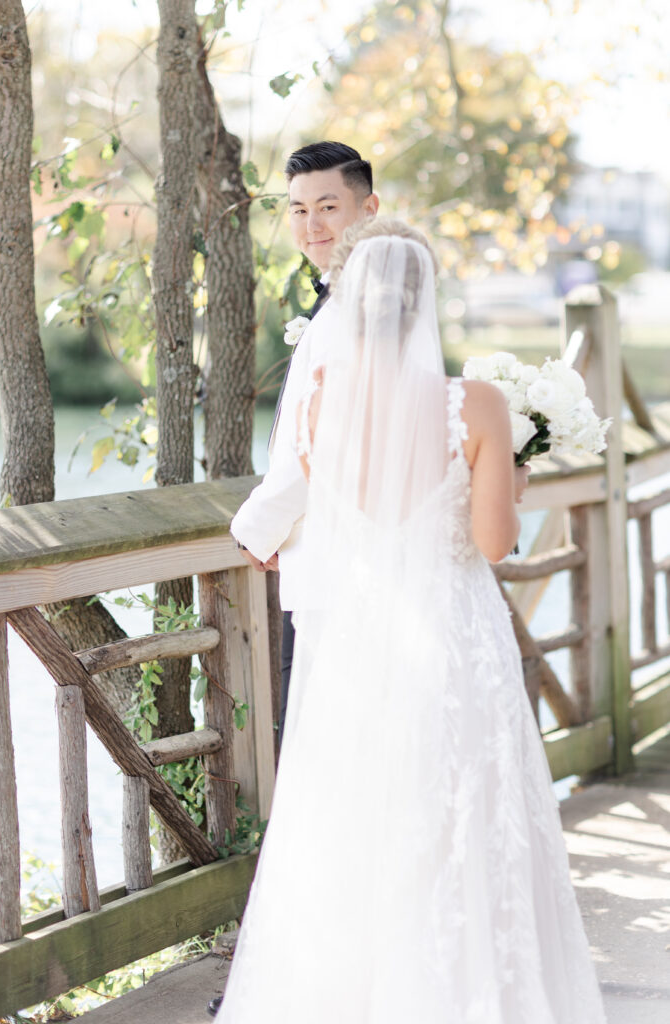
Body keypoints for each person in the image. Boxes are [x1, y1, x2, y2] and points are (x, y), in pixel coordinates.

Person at [211, 219, 607, 1023]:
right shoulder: (477, 406)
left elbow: (333, 510)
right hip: (454, 635)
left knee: (355, 811)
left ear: (353, 304)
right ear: (424, 301)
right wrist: (512, 480)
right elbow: (493, 543)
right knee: (459, 808)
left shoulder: (323, 401)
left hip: (358, 638)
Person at [230, 141, 379, 743]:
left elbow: (311, 445)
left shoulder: (350, 310)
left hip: (333, 556)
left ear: (368, 209)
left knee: (315, 735)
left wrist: (257, 526)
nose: (311, 224)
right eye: (297, 210)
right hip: (361, 549)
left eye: (327, 206)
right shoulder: (378, 299)